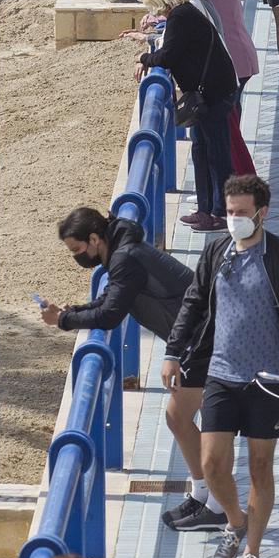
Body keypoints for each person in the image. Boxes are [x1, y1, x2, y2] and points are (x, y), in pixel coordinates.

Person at [163, 174, 279, 558]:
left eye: (241, 213)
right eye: (230, 213)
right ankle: (235, 521)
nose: (234, 219)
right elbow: (194, 304)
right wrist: (173, 352)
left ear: (261, 213)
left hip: (268, 379)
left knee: (260, 468)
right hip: (221, 374)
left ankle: (252, 551)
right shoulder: (216, 252)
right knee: (212, 464)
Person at [45, 206, 211, 529]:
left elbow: (110, 314)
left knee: (199, 422)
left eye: (78, 250)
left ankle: (216, 503)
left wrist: (64, 320)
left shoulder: (125, 259)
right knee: (180, 418)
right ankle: (205, 493)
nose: (78, 258)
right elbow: (110, 299)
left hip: (205, 338)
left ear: (94, 239)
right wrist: (73, 311)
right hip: (198, 338)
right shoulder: (123, 254)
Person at [136, 0, 238, 230]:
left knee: (216, 154)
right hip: (212, 90)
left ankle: (222, 213)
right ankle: (206, 209)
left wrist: (144, 59)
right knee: (202, 150)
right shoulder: (184, 12)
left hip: (213, 93)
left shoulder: (181, 16)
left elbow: (168, 56)